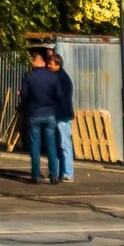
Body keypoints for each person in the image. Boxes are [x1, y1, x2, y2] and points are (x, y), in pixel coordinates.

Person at [18, 46, 61, 185]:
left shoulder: (29, 76)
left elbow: (24, 95)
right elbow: (59, 95)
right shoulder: (53, 77)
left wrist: (24, 104)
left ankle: (36, 175)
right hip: (49, 114)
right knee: (51, 146)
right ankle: (54, 175)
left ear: (34, 62)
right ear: (43, 62)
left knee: (34, 145)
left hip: (34, 114)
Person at [44, 49, 77, 181]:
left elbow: (58, 97)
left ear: (58, 64)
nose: (48, 65)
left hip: (61, 116)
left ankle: (67, 173)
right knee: (58, 144)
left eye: (51, 63)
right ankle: (57, 173)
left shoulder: (61, 79)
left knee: (64, 144)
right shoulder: (59, 77)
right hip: (58, 115)